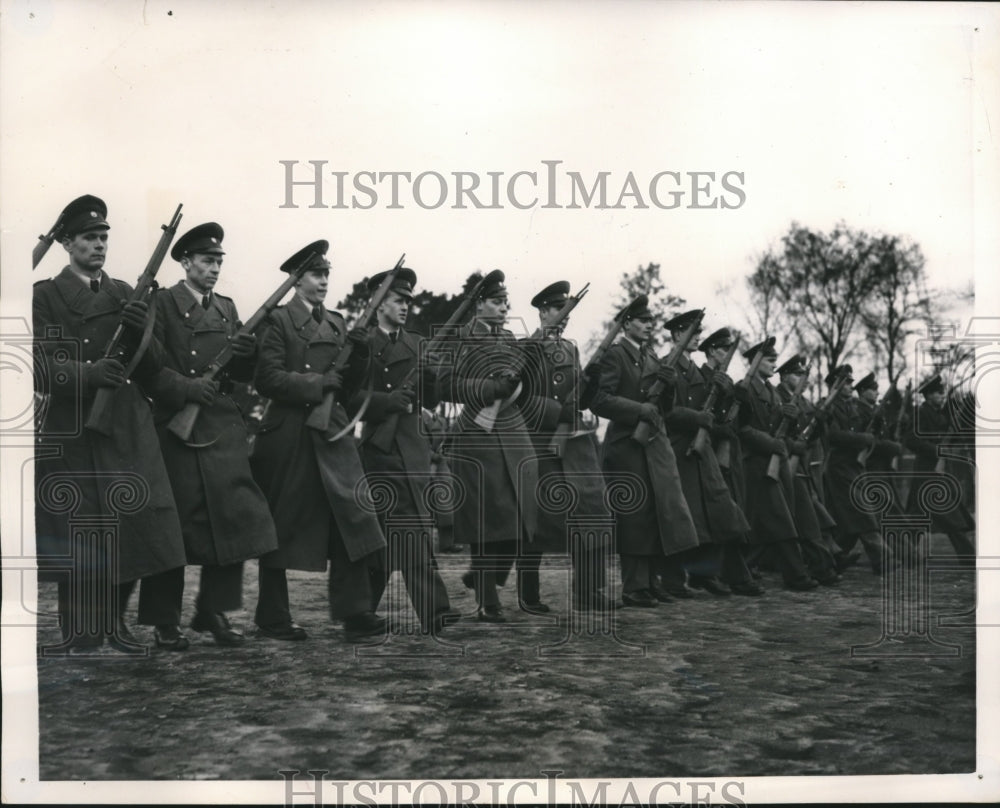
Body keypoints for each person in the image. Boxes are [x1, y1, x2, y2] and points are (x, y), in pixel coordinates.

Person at [33, 194, 186, 652]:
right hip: (75, 425)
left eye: (103, 238)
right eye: (89, 238)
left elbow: (153, 367)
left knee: (137, 522)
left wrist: (142, 327)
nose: (99, 246)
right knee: (79, 525)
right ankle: (79, 633)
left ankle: (116, 627)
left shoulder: (123, 292)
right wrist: (87, 374)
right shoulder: (45, 295)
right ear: (66, 243)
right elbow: (39, 364)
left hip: (126, 425)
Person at [141, 222, 279, 648]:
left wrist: (247, 355)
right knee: (174, 528)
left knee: (234, 520)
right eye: (207, 260)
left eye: (219, 261)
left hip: (219, 427)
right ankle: (165, 621)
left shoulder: (227, 308)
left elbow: (238, 375)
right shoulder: (162, 303)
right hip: (176, 425)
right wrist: (186, 388)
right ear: (186, 262)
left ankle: (212, 611)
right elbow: (149, 365)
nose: (215, 268)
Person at [250, 241, 387, 642]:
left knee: (354, 514)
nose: (324, 281)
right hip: (290, 433)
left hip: (333, 430)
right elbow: (266, 379)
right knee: (281, 524)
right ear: (296, 281)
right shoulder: (276, 321)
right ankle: (272, 617)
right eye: (315, 274)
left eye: (327, 273)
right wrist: (316, 382)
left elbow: (351, 387)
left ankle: (355, 610)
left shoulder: (339, 323)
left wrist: (360, 355)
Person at [351, 266, 459, 634]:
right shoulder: (361, 342)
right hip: (380, 447)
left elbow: (431, 398)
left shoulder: (415, 343)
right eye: (398, 300)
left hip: (412, 446)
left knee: (390, 532)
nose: (405, 308)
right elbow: (349, 398)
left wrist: (429, 377)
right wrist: (386, 400)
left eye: (408, 302)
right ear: (378, 303)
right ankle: (435, 610)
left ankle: (359, 612)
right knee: (409, 527)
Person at [437, 271, 540, 622]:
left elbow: (521, 386)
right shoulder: (462, 338)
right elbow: (446, 384)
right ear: (479, 303)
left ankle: (485, 576)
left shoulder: (510, 337)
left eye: (505, 301)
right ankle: (487, 600)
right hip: (477, 435)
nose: (503, 307)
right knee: (486, 519)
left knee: (520, 513)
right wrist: (488, 387)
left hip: (512, 432)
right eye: (496, 301)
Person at [588, 295, 700, 608]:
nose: (649, 325)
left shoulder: (650, 355)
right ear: (627, 324)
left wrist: (670, 384)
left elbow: (665, 407)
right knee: (634, 515)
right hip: (627, 444)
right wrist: (640, 409)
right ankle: (634, 586)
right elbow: (599, 400)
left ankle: (650, 583)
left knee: (655, 513)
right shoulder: (615, 355)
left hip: (653, 445)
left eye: (651, 320)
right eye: (643, 320)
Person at [517, 281, 616, 612]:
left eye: (568, 311)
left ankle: (589, 592)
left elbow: (580, 400)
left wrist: (593, 381)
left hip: (574, 444)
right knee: (539, 520)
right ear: (543, 312)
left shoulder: (571, 350)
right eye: (559, 310)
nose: (564, 318)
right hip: (538, 442)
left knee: (592, 513)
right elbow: (521, 399)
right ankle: (528, 594)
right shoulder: (526, 349)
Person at [663, 312, 754, 598]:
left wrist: (729, 395)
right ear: (678, 335)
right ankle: (677, 579)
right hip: (679, 447)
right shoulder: (669, 365)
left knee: (717, 509)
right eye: (692, 331)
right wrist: (699, 419)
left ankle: (705, 573)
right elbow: (668, 410)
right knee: (685, 515)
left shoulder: (695, 371)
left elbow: (716, 415)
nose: (698, 336)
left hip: (702, 449)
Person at [735, 338, 818, 591]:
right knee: (780, 520)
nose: (774, 364)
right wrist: (769, 442)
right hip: (755, 463)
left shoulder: (772, 392)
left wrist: (791, 420)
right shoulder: (745, 388)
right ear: (756, 361)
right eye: (770, 360)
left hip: (775, 463)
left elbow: (785, 429)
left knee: (764, 524)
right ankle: (796, 576)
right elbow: (741, 428)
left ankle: (741, 571)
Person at [774, 354, 841, 585]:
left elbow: (811, 434)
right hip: (784, 464)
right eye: (797, 374)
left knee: (810, 517)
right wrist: (795, 445)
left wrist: (821, 418)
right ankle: (823, 568)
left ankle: (826, 563)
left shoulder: (801, 400)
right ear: (784, 376)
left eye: (803, 374)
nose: (802, 378)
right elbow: (779, 432)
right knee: (804, 520)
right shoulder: (778, 397)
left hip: (801, 466)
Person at [823, 365, 891, 574]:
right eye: (847, 382)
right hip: (838, 466)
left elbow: (868, 431)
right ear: (836, 383)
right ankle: (882, 558)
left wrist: (877, 423)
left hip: (855, 466)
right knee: (862, 512)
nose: (851, 386)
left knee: (849, 518)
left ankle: (833, 558)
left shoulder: (852, 406)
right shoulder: (828, 407)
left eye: (852, 382)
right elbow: (833, 436)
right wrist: (864, 438)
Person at [904, 374, 976, 560]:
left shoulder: (939, 414)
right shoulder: (920, 413)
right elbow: (911, 439)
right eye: (938, 393)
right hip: (926, 470)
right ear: (927, 396)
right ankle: (967, 554)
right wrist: (937, 451)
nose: (942, 395)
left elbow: (948, 437)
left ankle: (906, 553)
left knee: (920, 516)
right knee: (947, 513)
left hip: (937, 471)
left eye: (942, 392)